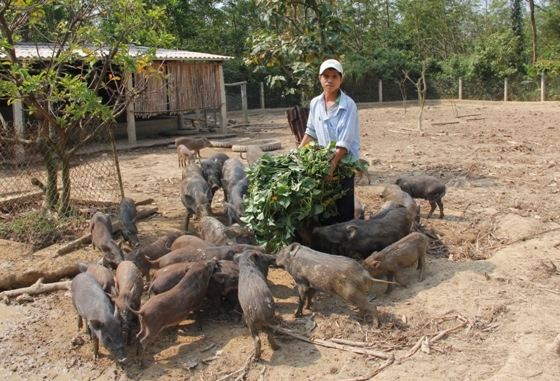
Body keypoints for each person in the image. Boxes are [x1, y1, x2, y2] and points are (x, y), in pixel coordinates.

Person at [298, 59, 360, 225]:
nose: (330, 80)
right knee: (325, 208)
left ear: (341, 79)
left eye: (334, 76)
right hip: (325, 163)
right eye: (326, 76)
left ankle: (344, 248)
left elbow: (345, 141)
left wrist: (332, 166)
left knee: (343, 210)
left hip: (343, 164)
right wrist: (296, 154)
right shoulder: (315, 103)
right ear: (320, 78)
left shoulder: (348, 105)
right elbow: (310, 131)